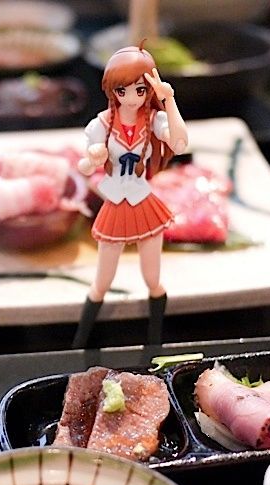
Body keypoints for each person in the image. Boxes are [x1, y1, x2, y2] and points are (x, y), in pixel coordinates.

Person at [72, 43, 188, 349]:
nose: (132, 97)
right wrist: (93, 159)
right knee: (102, 283)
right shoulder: (100, 124)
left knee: (153, 280)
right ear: (112, 90)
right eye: (123, 90)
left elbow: (179, 143)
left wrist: (169, 99)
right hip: (115, 203)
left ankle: (154, 344)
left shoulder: (154, 119)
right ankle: (78, 346)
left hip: (143, 201)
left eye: (140, 89)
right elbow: (83, 167)